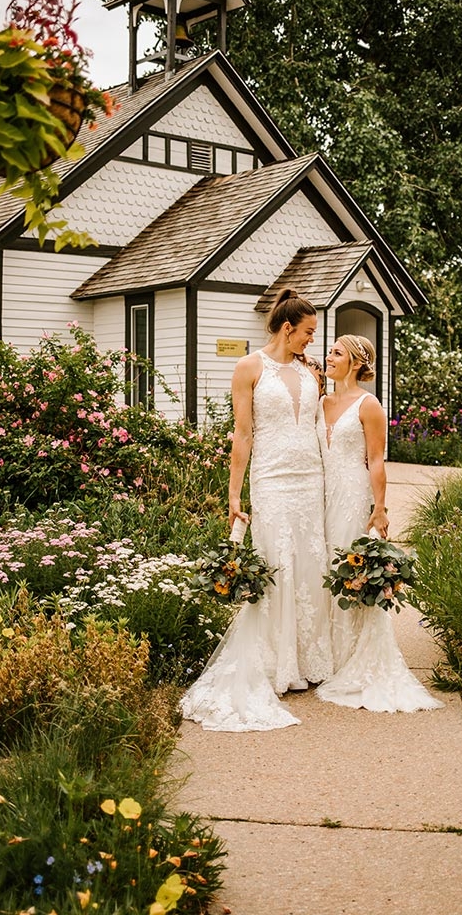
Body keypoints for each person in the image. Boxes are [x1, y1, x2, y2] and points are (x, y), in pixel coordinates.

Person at [180, 289, 334, 730]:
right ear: (288, 328)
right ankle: (276, 663)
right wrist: (234, 495)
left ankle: (307, 660)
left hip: (311, 480)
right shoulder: (248, 368)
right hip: (271, 480)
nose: (311, 340)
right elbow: (242, 435)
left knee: (309, 562)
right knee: (276, 561)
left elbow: (318, 426)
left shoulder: (310, 371)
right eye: (307, 332)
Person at [315, 334, 443, 712]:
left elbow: (375, 460)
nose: (329, 356)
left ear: (355, 362)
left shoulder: (369, 405)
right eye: (330, 351)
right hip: (318, 496)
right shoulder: (320, 401)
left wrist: (381, 507)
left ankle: (353, 657)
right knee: (322, 568)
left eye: (336, 352)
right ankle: (325, 657)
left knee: (347, 569)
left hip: (352, 496)